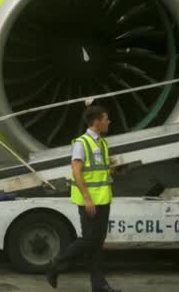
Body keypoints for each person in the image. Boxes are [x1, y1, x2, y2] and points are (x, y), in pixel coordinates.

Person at [47, 105, 120, 292]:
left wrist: (115, 169)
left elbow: (99, 170)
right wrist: (87, 198)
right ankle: (56, 263)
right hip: (89, 202)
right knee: (89, 239)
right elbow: (76, 172)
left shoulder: (102, 143)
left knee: (97, 243)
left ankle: (99, 285)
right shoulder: (82, 143)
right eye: (106, 118)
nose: (108, 122)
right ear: (96, 122)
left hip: (103, 200)